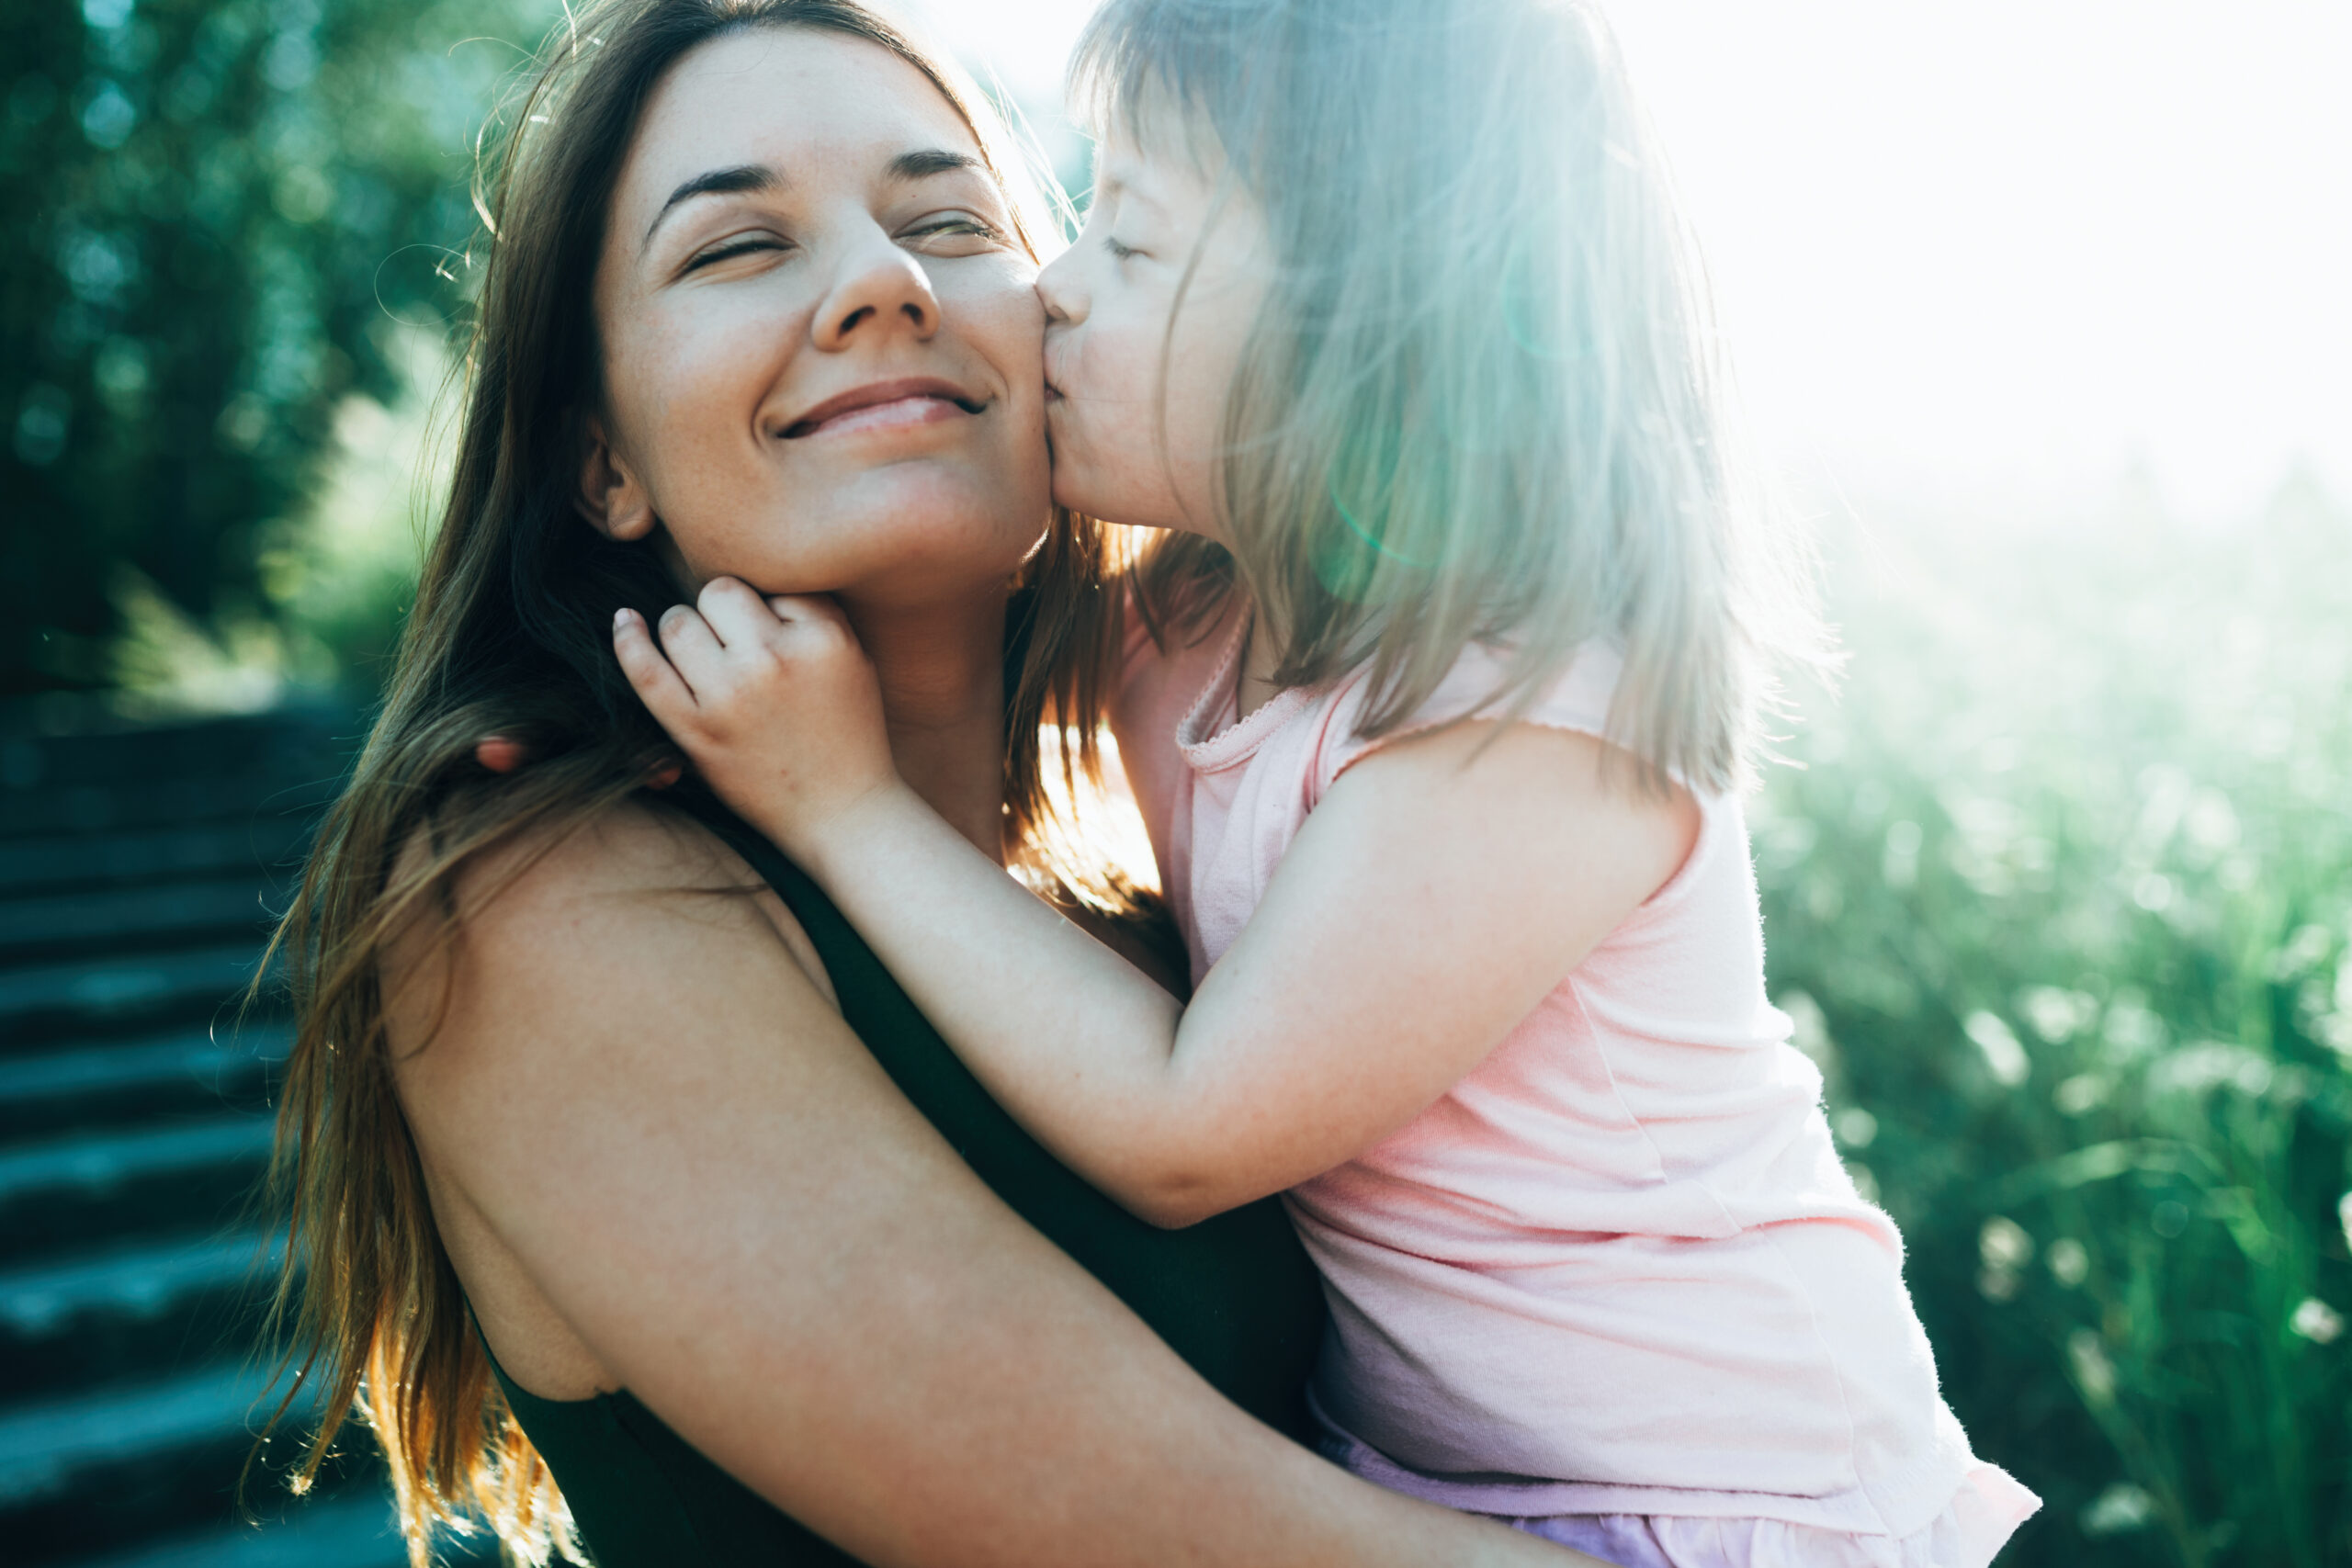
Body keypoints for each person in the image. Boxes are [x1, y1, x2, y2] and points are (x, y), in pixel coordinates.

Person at [613, 2, 2043, 1565]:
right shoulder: (1189, 627)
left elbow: (1184, 1129)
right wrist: (606, 725)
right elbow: (932, 637)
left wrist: (840, 806)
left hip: (1723, 1498)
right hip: (1448, 1491)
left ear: (1368, 333)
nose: (1053, 291)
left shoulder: (1528, 710)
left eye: (1134, 245)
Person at [256, 2, 1602, 1565]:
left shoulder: (1176, 911)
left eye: (951, 222)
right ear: (598, 464)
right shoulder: (530, 904)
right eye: (736, 247)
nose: (884, 283)